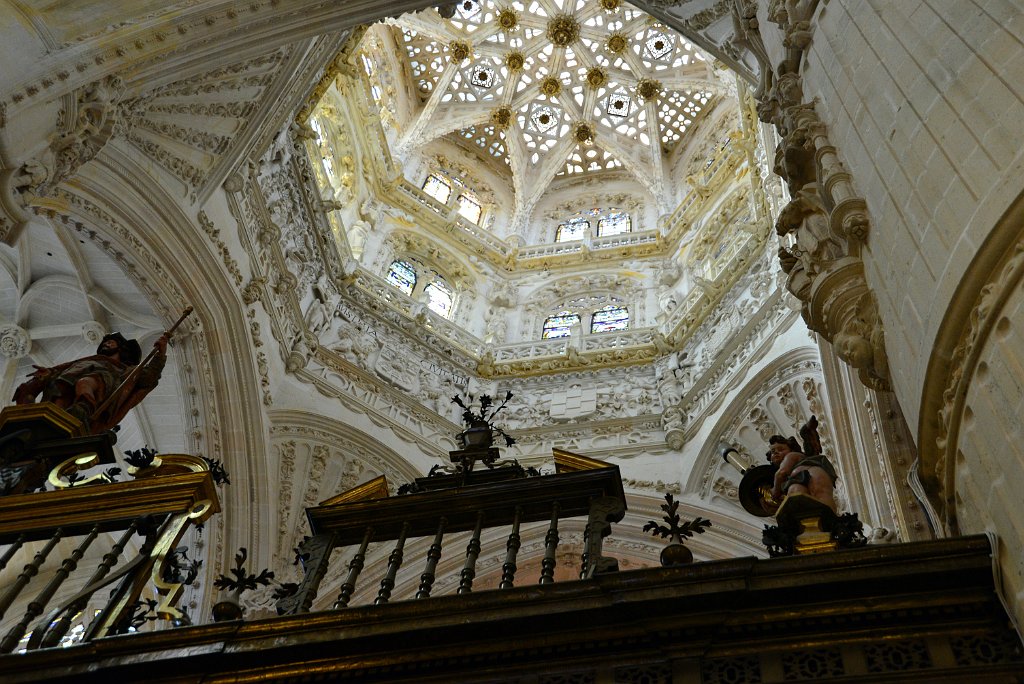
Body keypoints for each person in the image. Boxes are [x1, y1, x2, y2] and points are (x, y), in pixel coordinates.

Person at [12, 332, 168, 434]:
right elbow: (63, 368)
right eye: (105, 343)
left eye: (111, 343)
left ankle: (83, 408)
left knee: (85, 383)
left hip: (101, 381)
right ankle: (50, 424)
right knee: (59, 395)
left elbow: (148, 378)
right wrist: (49, 373)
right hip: (67, 380)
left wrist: (160, 355)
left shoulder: (127, 370)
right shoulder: (89, 360)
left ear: (122, 349)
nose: (106, 344)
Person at [768, 433, 838, 512]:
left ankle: (828, 519)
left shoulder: (791, 455)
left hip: (812, 475)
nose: (776, 452)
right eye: (773, 451)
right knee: (819, 496)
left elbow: (781, 473)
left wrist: (774, 491)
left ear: (791, 449)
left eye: (781, 449)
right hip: (811, 477)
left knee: (820, 496)